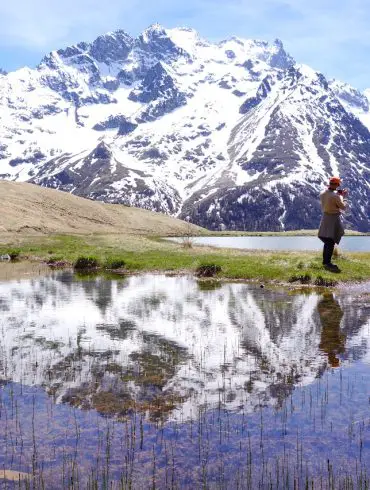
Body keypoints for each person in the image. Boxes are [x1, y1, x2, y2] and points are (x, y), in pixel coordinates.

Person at [318, 176, 348, 272]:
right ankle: (328, 263)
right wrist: (343, 197)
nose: (339, 185)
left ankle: (325, 262)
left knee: (327, 241)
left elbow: (330, 195)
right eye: (338, 184)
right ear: (336, 184)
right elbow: (343, 207)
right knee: (330, 242)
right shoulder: (335, 196)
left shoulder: (323, 193)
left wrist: (337, 194)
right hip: (333, 219)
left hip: (325, 218)